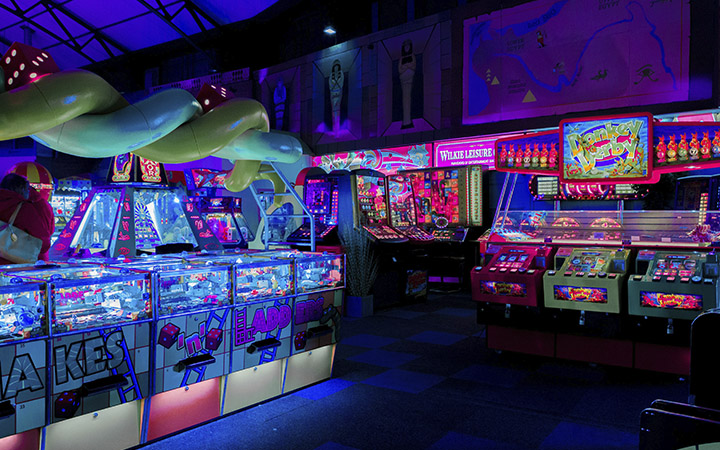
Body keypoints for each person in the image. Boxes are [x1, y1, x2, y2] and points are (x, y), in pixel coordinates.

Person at [0, 172, 55, 264]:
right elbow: (44, 243)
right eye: (27, 189)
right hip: (16, 265)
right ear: (22, 189)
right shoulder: (24, 209)